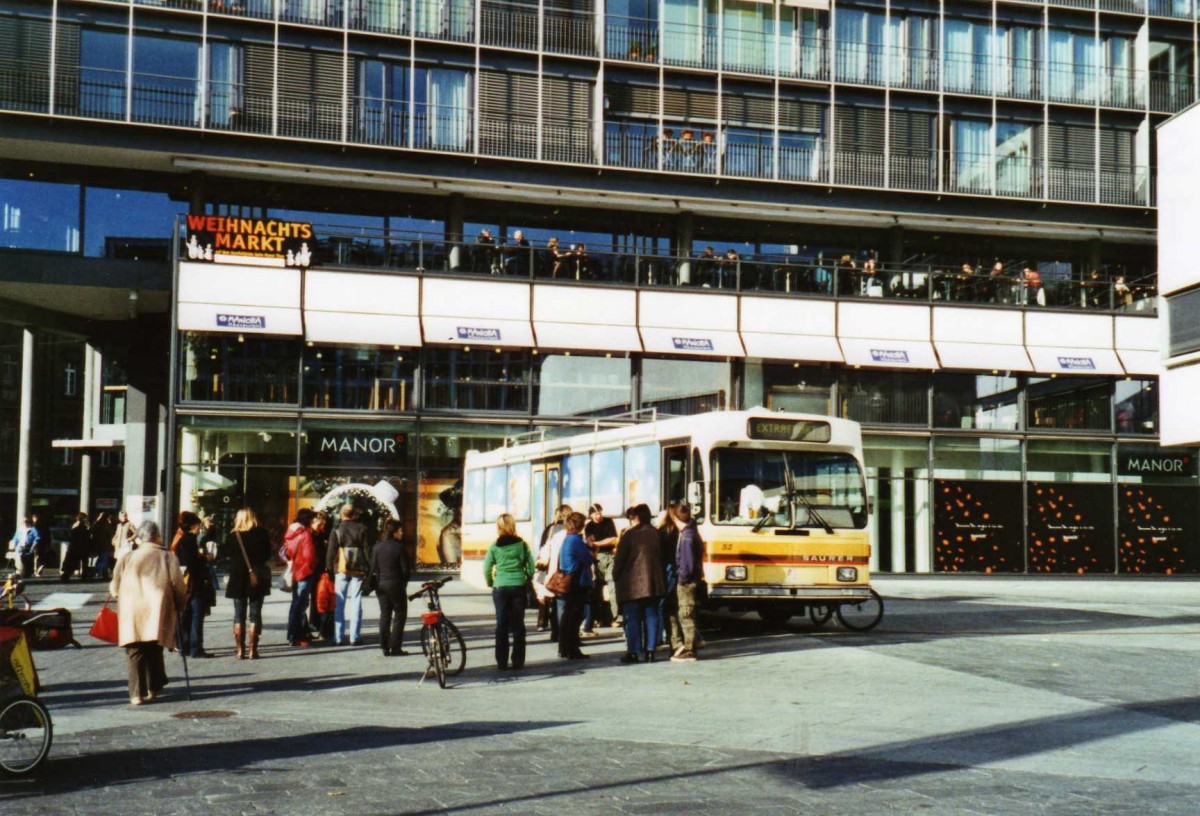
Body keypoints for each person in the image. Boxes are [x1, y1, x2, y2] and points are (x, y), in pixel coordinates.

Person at [110, 521, 187, 705]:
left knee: (135, 650)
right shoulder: (167, 557)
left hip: (132, 608)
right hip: (157, 608)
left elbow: (114, 585)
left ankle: (136, 694)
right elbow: (178, 584)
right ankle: (154, 689)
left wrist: (119, 594)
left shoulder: (128, 557)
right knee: (154, 647)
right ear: (157, 536)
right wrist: (180, 603)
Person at [613, 504, 666, 664]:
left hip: (632, 585)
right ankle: (650, 651)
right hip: (654, 583)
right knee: (652, 616)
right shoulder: (658, 534)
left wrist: (616, 576)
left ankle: (634, 652)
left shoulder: (629, 535)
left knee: (633, 619)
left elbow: (620, 561)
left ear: (636, 517)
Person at [483, 514, 535, 670]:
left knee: (502, 625)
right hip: (518, 586)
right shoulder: (522, 545)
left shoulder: (494, 546)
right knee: (518, 624)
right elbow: (531, 566)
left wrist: (491, 582)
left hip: (500, 587)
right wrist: (526, 577)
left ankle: (502, 661)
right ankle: (518, 661)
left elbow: (486, 568)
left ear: (498, 528)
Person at [221, 507, 272, 659]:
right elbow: (268, 554)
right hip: (256, 576)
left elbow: (225, 554)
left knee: (239, 614)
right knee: (255, 614)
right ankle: (253, 650)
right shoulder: (262, 533)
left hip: (237, 578)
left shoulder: (233, 536)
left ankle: (239, 650)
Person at [326, 504, 370, 647]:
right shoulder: (362, 528)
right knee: (356, 600)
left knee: (340, 602)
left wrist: (330, 569)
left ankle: (338, 637)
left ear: (342, 514)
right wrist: (369, 568)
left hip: (341, 567)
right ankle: (354, 637)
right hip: (359, 567)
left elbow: (331, 552)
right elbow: (367, 550)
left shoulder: (337, 530)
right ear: (353, 514)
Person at [173, 511, 216, 659]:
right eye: (197, 525)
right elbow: (192, 564)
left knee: (187, 616)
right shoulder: (189, 541)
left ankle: (183, 645)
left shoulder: (181, 540)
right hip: (194, 584)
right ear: (192, 526)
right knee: (196, 615)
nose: (199, 527)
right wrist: (205, 559)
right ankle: (196, 647)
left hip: (185, 584)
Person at [556, 512, 593, 661]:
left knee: (567, 615)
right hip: (577, 582)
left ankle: (564, 647)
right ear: (580, 525)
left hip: (568, 580)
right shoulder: (576, 540)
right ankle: (572, 648)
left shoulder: (567, 539)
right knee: (575, 616)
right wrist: (591, 548)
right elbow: (588, 559)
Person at [371, 518, 410, 657]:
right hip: (396, 584)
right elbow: (405, 570)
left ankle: (384, 646)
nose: (402, 533)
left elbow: (373, 567)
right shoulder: (399, 547)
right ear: (395, 532)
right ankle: (395, 647)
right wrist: (403, 583)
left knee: (385, 615)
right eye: (400, 530)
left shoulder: (377, 547)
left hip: (380, 585)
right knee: (400, 615)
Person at [671, 504, 703, 662]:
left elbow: (687, 564)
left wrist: (682, 578)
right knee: (688, 613)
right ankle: (692, 644)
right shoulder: (692, 532)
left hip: (687, 582)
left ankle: (690, 649)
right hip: (692, 579)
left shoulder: (686, 536)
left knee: (686, 614)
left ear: (676, 519)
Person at [534, 505, 571, 639]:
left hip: (551, 568)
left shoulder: (550, 529)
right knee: (562, 602)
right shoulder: (569, 531)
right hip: (564, 569)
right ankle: (561, 633)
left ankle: (547, 625)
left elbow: (542, 547)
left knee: (552, 599)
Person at [283, 508, 318, 648]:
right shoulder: (305, 534)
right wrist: (312, 567)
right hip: (304, 571)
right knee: (301, 605)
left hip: (295, 571)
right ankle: (296, 636)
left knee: (295, 604)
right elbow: (309, 557)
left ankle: (293, 635)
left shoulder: (290, 533)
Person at [584, 504, 619, 629]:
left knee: (612, 586)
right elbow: (589, 542)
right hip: (596, 558)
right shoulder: (589, 526)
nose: (598, 516)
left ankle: (613, 617)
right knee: (597, 589)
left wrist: (597, 543)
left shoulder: (609, 522)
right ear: (591, 515)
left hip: (609, 556)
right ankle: (598, 618)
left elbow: (614, 539)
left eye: (599, 513)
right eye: (595, 514)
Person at [308, 511, 332, 641]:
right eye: (319, 523)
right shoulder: (310, 534)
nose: (321, 526)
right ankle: (313, 622)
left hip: (321, 569)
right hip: (312, 569)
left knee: (321, 596)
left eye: (323, 524)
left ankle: (318, 623)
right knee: (313, 596)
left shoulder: (324, 534)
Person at [61, 512, 91, 582]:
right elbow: (76, 534)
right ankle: (67, 575)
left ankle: (81, 575)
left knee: (75, 562)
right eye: (85, 518)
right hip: (78, 546)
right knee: (75, 562)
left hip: (78, 546)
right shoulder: (79, 525)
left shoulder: (79, 525)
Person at [91, 511, 116, 580]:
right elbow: (111, 534)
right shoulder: (106, 525)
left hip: (97, 545)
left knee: (103, 559)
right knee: (104, 559)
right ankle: (94, 571)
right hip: (105, 545)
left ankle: (105, 574)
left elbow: (91, 531)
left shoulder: (97, 524)